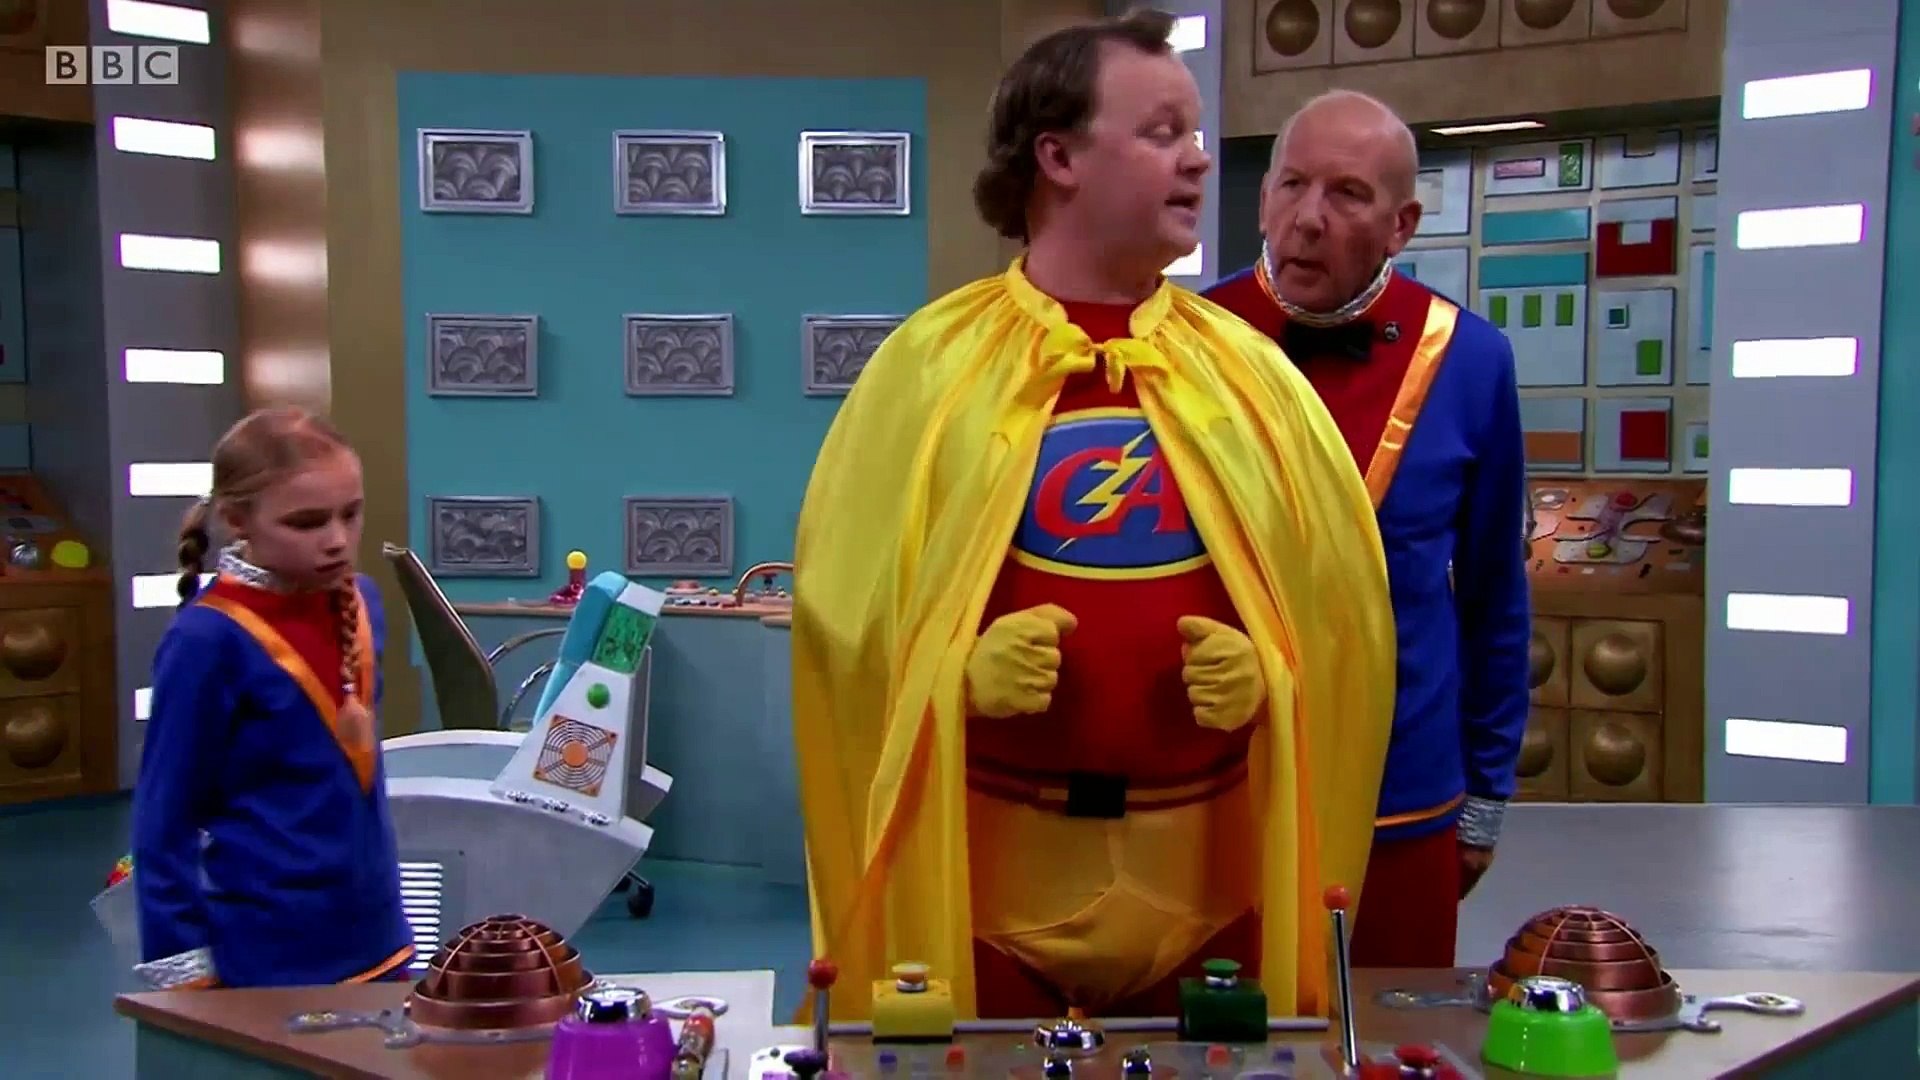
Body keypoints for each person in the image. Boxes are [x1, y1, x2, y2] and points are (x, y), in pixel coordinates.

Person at [791, 9, 1397, 1022]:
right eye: (1162, 132)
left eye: (1195, 133)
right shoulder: (929, 370)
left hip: (1212, 892)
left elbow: (1342, 622)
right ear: (1058, 156)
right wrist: (951, 675)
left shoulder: (1251, 376)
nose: (1199, 160)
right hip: (990, 895)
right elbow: (839, 632)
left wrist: (1273, 676)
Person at [1204, 90, 1531, 969]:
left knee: (1396, 1030)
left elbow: (1495, 596)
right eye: (1291, 185)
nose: (1307, 219)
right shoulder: (1191, 341)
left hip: (1405, 793)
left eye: (1347, 194)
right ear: (1264, 198)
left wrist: (1485, 796)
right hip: (1218, 787)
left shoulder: (1470, 358)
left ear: (1401, 225)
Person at [130, 406, 413, 989]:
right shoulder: (207, 639)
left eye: (351, 514)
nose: (337, 540)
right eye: (306, 523)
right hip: (265, 954)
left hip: (377, 936)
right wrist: (183, 970)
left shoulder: (363, 602)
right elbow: (163, 820)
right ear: (238, 519)